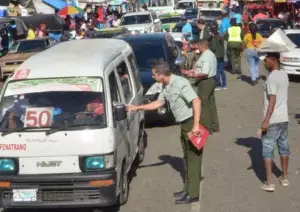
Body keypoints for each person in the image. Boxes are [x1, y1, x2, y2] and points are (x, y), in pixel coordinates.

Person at [127, 61, 202, 204]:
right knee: (186, 158)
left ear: (162, 75)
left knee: (193, 160)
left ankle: (193, 194)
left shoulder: (180, 83)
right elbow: (158, 103)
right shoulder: (166, 86)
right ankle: (187, 189)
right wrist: (136, 108)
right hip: (184, 124)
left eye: (154, 74)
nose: (153, 77)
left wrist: (196, 125)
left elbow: (196, 101)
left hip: (191, 122)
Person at [257, 53, 290, 192]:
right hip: (284, 118)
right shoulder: (284, 74)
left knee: (267, 150)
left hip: (273, 119)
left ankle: (269, 182)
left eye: (266, 60)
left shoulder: (271, 78)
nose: (264, 63)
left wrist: (265, 121)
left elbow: (272, 100)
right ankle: (284, 177)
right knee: (284, 147)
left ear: (273, 60)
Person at [183, 39, 220, 133]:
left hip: (205, 81)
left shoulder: (206, 56)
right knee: (211, 103)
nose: (197, 48)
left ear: (202, 45)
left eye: (198, 46)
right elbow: (200, 68)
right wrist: (191, 71)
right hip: (209, 80)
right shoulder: (209, 54)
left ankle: (207, 127)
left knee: (204, 104)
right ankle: (214, 125)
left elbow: (204, 72)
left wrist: (193, 75)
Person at [210, 25, 226, 90]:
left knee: (217, 71)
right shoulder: (221, 37)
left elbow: (213, 48)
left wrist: (209, 48)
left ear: (212, 32)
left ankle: (218, 85)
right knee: (222, 70)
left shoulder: (213, 38)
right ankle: (224, 85)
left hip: (216, 55)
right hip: (221, 55)